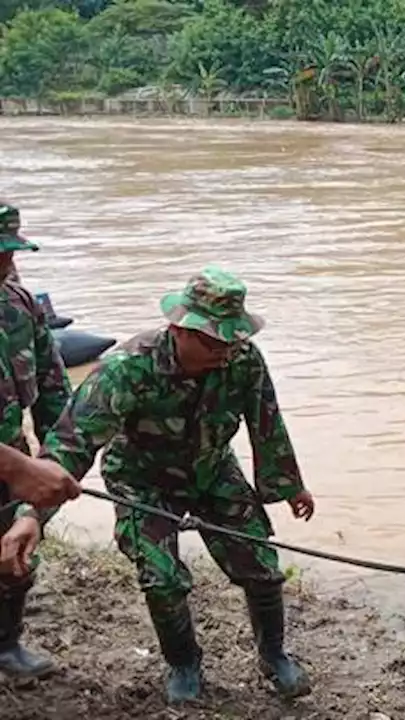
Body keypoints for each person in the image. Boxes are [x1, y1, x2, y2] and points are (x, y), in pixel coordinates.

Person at [39, 267, 316, 703]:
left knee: (262, 567)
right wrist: (30, 514)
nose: (222, 351)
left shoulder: (243, 358)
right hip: (142, 480)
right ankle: (184, 663)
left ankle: (274, 654)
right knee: (162, 580)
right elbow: (70, 444)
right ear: (178, 327)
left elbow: (266, 421)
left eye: (230, 340)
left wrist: (288, 485)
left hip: (211, 470)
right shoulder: (127, 369)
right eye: (210, 340)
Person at [0, 202, 72, 679]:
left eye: (8, 254)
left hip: (10, 462)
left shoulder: (19, 306)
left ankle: (6, 645)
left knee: (14, 558)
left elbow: (53, 392)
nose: (6, 266)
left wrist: (56, 461)